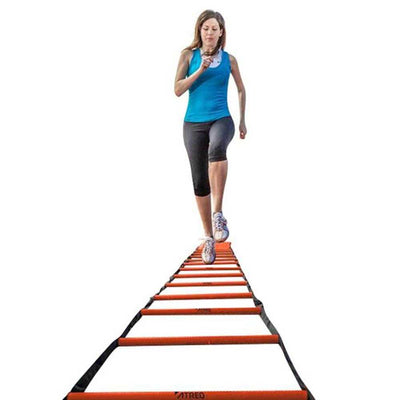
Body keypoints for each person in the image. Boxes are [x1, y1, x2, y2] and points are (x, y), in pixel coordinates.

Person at [174, 10, 247, 264]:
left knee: (217, 149)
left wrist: (242, 120)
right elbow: (177, 89)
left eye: (214, 29)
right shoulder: (188, 55)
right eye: (206, 28)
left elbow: (241, 89)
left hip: (221, 118)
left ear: (221, 32)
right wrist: (199, 70)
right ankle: (208, 238)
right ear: (200, 30)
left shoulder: (230, 60)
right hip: (193, 123)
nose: (210, 33)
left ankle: (218, 215)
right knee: (199, 181)